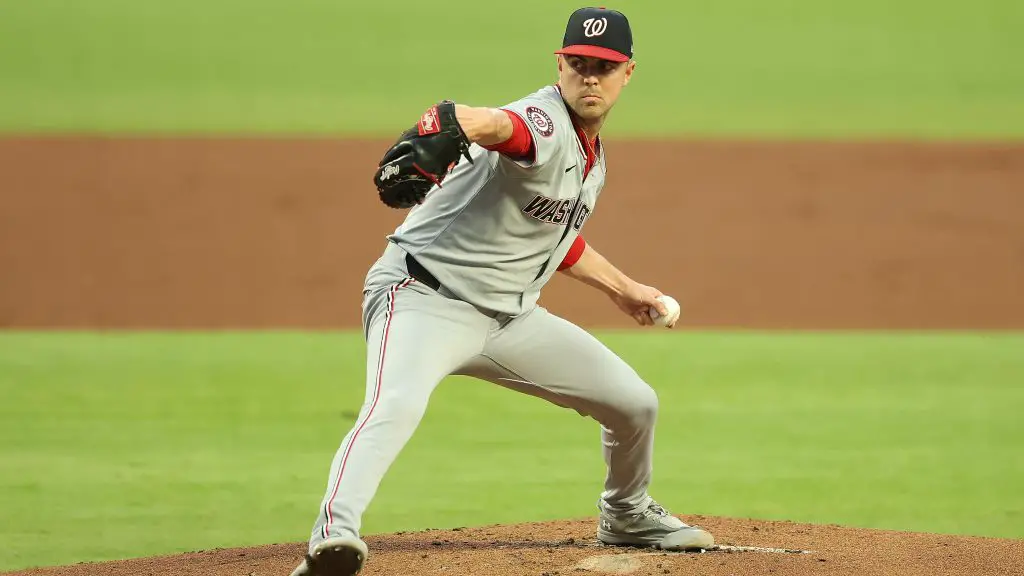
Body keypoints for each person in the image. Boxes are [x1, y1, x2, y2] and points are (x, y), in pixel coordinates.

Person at [290, 7, 714, 576]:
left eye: (604, 67)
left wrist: (623, 288)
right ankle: (332, 539)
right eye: (579, 64)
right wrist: (452, 122)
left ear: (627, 73)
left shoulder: (590, 155)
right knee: (396, 404)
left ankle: (626, 514)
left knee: (634, 404)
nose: (590, 77)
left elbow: (553, 234)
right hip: (423, 298)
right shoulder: (544, 121)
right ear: (560, 65)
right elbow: (497, 125)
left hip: (510, 319)